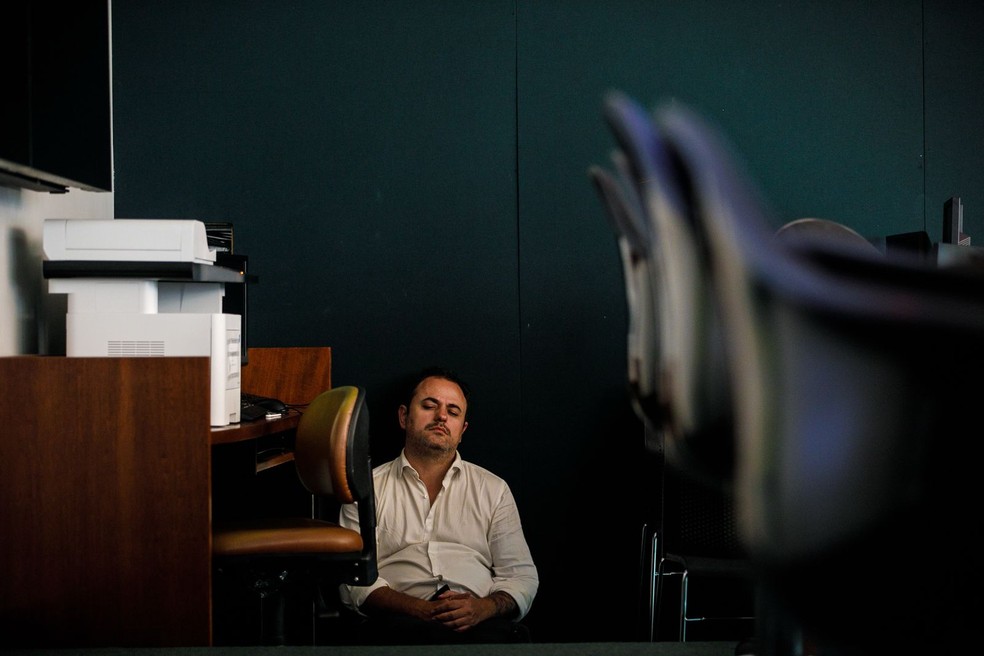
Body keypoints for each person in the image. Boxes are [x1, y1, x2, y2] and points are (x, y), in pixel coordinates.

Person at [339, 366, 539, 644]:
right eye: (429, 406)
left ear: (462, 430)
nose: (441, 416)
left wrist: (484, 608)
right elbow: (355, 580)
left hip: (481, 628)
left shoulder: (493, 489)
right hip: (396, 627)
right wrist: (419, 609)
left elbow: (521, 576)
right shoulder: (366, 488)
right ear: (403, 417)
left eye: (453, 411)